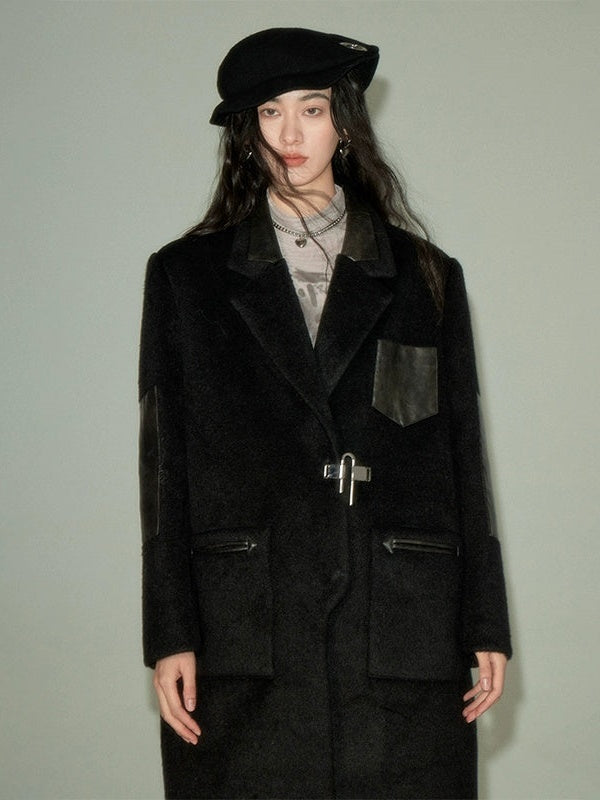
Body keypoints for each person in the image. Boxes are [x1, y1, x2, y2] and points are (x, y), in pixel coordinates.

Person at [138, 27, 512, 800]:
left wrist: (484, 622)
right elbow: (164, 468)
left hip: (399, 620)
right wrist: (170, 631)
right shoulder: (187, 277)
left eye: (312, 109)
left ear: (344, 121)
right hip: (249, 621)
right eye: (270, 113)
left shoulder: (425, 277)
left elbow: (461, 454)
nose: (291, 134)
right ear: (246, 131)